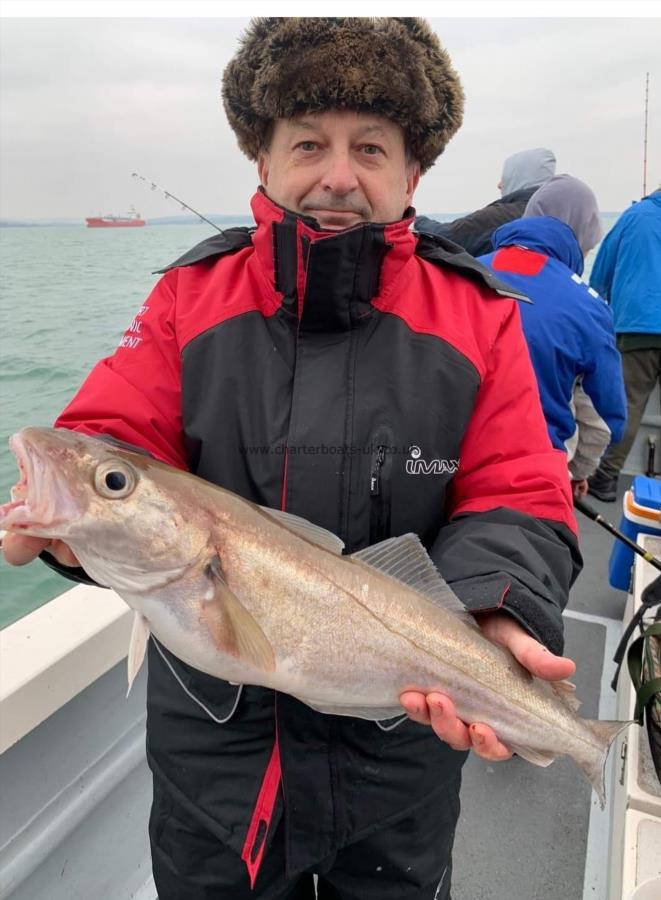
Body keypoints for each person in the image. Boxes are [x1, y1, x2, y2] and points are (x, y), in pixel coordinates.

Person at [2, 18, 581, 900]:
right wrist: (62, 529)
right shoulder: (187, 298)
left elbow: (517, 491)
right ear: (263, 163)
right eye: (308, 143)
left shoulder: (478, 316)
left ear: (412, 172)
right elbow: (114, 447)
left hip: (401, 759)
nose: (337, 176)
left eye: (371, 149)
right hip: (214, 765)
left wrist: (491, 611)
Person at [477, 174, 627, 498]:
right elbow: (603, 417)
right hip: (536, 481)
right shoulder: (589, 307)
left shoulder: (463, 272)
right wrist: (577, 472)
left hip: (449, 466)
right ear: (582, 235)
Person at [587, 188, 661, 502]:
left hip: (636, 328)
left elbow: (601, 271)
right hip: (638, 324)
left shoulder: (635, 216)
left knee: (629, 405)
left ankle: (605, 479)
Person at [415, 146, 556, 256]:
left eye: (506, 177)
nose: (499, 184)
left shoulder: (503, 215)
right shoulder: (556, 217)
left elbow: (447, 236)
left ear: (520, 178)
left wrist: (415, 220)